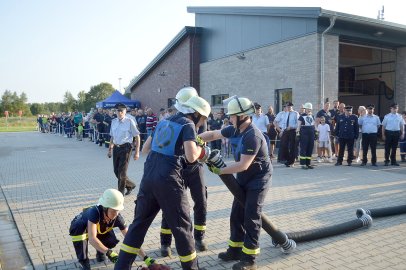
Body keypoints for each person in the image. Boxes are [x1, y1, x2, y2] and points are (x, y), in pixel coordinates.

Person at [114, 93, 211, 270]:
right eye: (202, 118)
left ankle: (121, 266)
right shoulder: (188, 124)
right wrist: (202, 149)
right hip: (169, 179)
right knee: (182, 228)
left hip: (149, 176)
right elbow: (191, 157)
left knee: (138, 225)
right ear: (196, 114)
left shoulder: (164, 121)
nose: (201, 122)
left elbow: (145, 149)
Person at [199, 96, 272, 270]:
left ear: (242, 116)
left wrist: (219, 170)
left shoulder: (252, 136)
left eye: (232, 116)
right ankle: (235, 250)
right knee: (236, 214)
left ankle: (249, 259)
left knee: (251, 217)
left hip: (258, 179)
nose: (229, 118)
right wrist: (195, 139)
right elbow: (214, 134)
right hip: (244, 177)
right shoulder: (235, 129)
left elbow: (243, 165)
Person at [158, 87, 209, 257]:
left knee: (201, 201)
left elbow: (201, 139)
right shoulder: (172, 120)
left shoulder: (198, 117)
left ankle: (199, 238)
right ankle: (165, 243)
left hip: (194, 168)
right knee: (171, 205)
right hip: (177, 168)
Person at [69, 189, 155, 270]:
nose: (116, 214)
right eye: (113, 211)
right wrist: (109, 252)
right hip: (81, 226)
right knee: (79, 230)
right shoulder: (94, 213)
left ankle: (100, 252)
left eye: (118, 211)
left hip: (96, 226)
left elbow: (131, 239)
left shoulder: (117, 217)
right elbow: (92, 239)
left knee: (110, 240)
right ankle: (83, 262)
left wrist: (145, 258)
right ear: (105, 208)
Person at [108, 103, 140, 195]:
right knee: (116, 171)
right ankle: (131, 185)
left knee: (122, 173)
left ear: (125, 111)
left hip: (126, 148)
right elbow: (112, 137)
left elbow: (137, 136)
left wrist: (137, 152)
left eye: (121, 110)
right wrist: (110, 149)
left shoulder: (130, 121)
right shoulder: (113, 121)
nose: (119, 112)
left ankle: (119, 195)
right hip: (116, 148)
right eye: (117, 110)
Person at [276, 102, 299, 167]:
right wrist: (282, 131)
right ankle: (287, 159)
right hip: (285, 131)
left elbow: (298, 123)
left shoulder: (295, 113)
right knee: (284, 145)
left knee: (292, 147)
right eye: (287, 107)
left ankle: (292, 161)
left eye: (289, 107)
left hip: (292, 131)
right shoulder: (285, 113)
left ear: (292, 107)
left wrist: (292, 127)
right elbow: (284, 123)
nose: (288, 108)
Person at [297, 102, 316, 169]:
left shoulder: (312, 116)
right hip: (304, 133)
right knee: (303, 148)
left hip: (311, 133)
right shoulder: (301, 116)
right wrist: (298, 134)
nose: (309, 110)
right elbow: (298, 126)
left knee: (310, 148)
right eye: (308, 109)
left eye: (310, 109)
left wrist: (316, 132)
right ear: (305, 109)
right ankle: (303, 164)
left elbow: (314, 125)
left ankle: (308, 163)